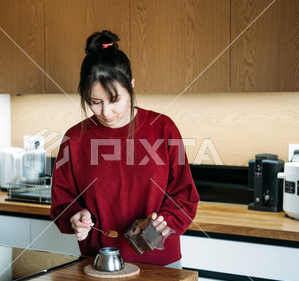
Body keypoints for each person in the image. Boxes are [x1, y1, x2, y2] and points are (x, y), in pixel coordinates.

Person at [50, 30, 199, 268]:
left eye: (114, 100)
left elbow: (184, 196)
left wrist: (164, 222)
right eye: (94, 102)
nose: (106, 112)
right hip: (98, 264)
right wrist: (74, 216)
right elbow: (62, 202)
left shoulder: (162, 128)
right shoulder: (74, 139)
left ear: (131, 86)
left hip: (160, 265)